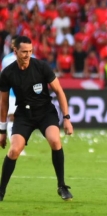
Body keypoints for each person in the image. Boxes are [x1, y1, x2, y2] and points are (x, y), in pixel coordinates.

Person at [0, 36, 74, 201]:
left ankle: (62, 186)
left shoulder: (41, 67)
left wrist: (67, 118)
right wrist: (2, 131)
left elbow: (60, 92)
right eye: (24, 52)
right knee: (14, 150)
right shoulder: (7, 73)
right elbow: (3, 104)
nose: (27, 55)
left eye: (30, 51)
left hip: (45, 112)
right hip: (24, 115)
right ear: (15, 52)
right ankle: (1, 191)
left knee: (55, 141)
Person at [1, 35, 34, 156]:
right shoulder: (6, 60)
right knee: (11, 117)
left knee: (24, 119)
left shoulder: (32, 58)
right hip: (11, 93)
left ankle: (20, 144)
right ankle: (15, 145)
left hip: (26, 95)